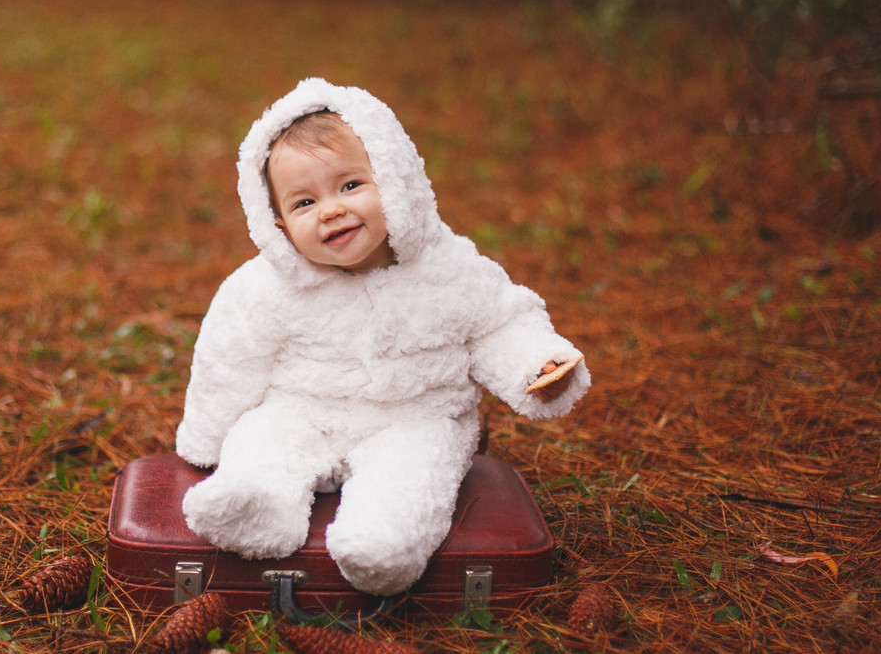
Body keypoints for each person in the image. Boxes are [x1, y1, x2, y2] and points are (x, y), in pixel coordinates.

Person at [175, 77, 590, 596]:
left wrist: (536, 365)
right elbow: (229, 359)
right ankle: (256, 504)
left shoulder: (447, 267)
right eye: (304, 203)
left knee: (416, 469)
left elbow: (500, 323)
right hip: (304, 411)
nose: (330, 210)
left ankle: (383, 541)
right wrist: (206, 437)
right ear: (277, 225)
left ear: (395, 181)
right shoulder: (266, 287)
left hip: (414, 417)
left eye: (350, 186)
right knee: (262, 437)